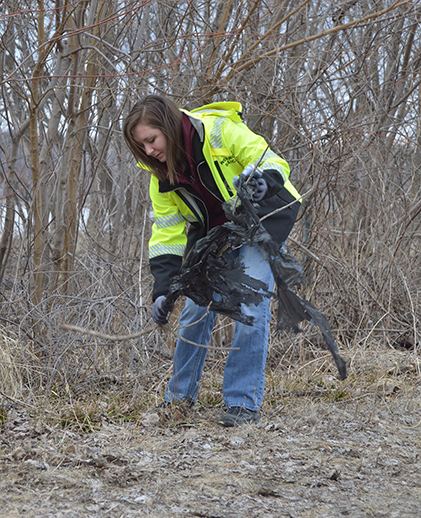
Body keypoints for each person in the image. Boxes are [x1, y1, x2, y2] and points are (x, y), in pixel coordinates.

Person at [123, 95, 301, 426]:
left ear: (170, 126)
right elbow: (167, 234)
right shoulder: (160, 175)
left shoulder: (220, 130)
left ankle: (242, 404)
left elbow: (273, 162)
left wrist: (259, 182)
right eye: (142, 145)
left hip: (260, 221)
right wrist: (164, 288)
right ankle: (177, 401)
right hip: (215, 235)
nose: (148, 151)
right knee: (194, 310)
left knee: (250, 307)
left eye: (152, 140)